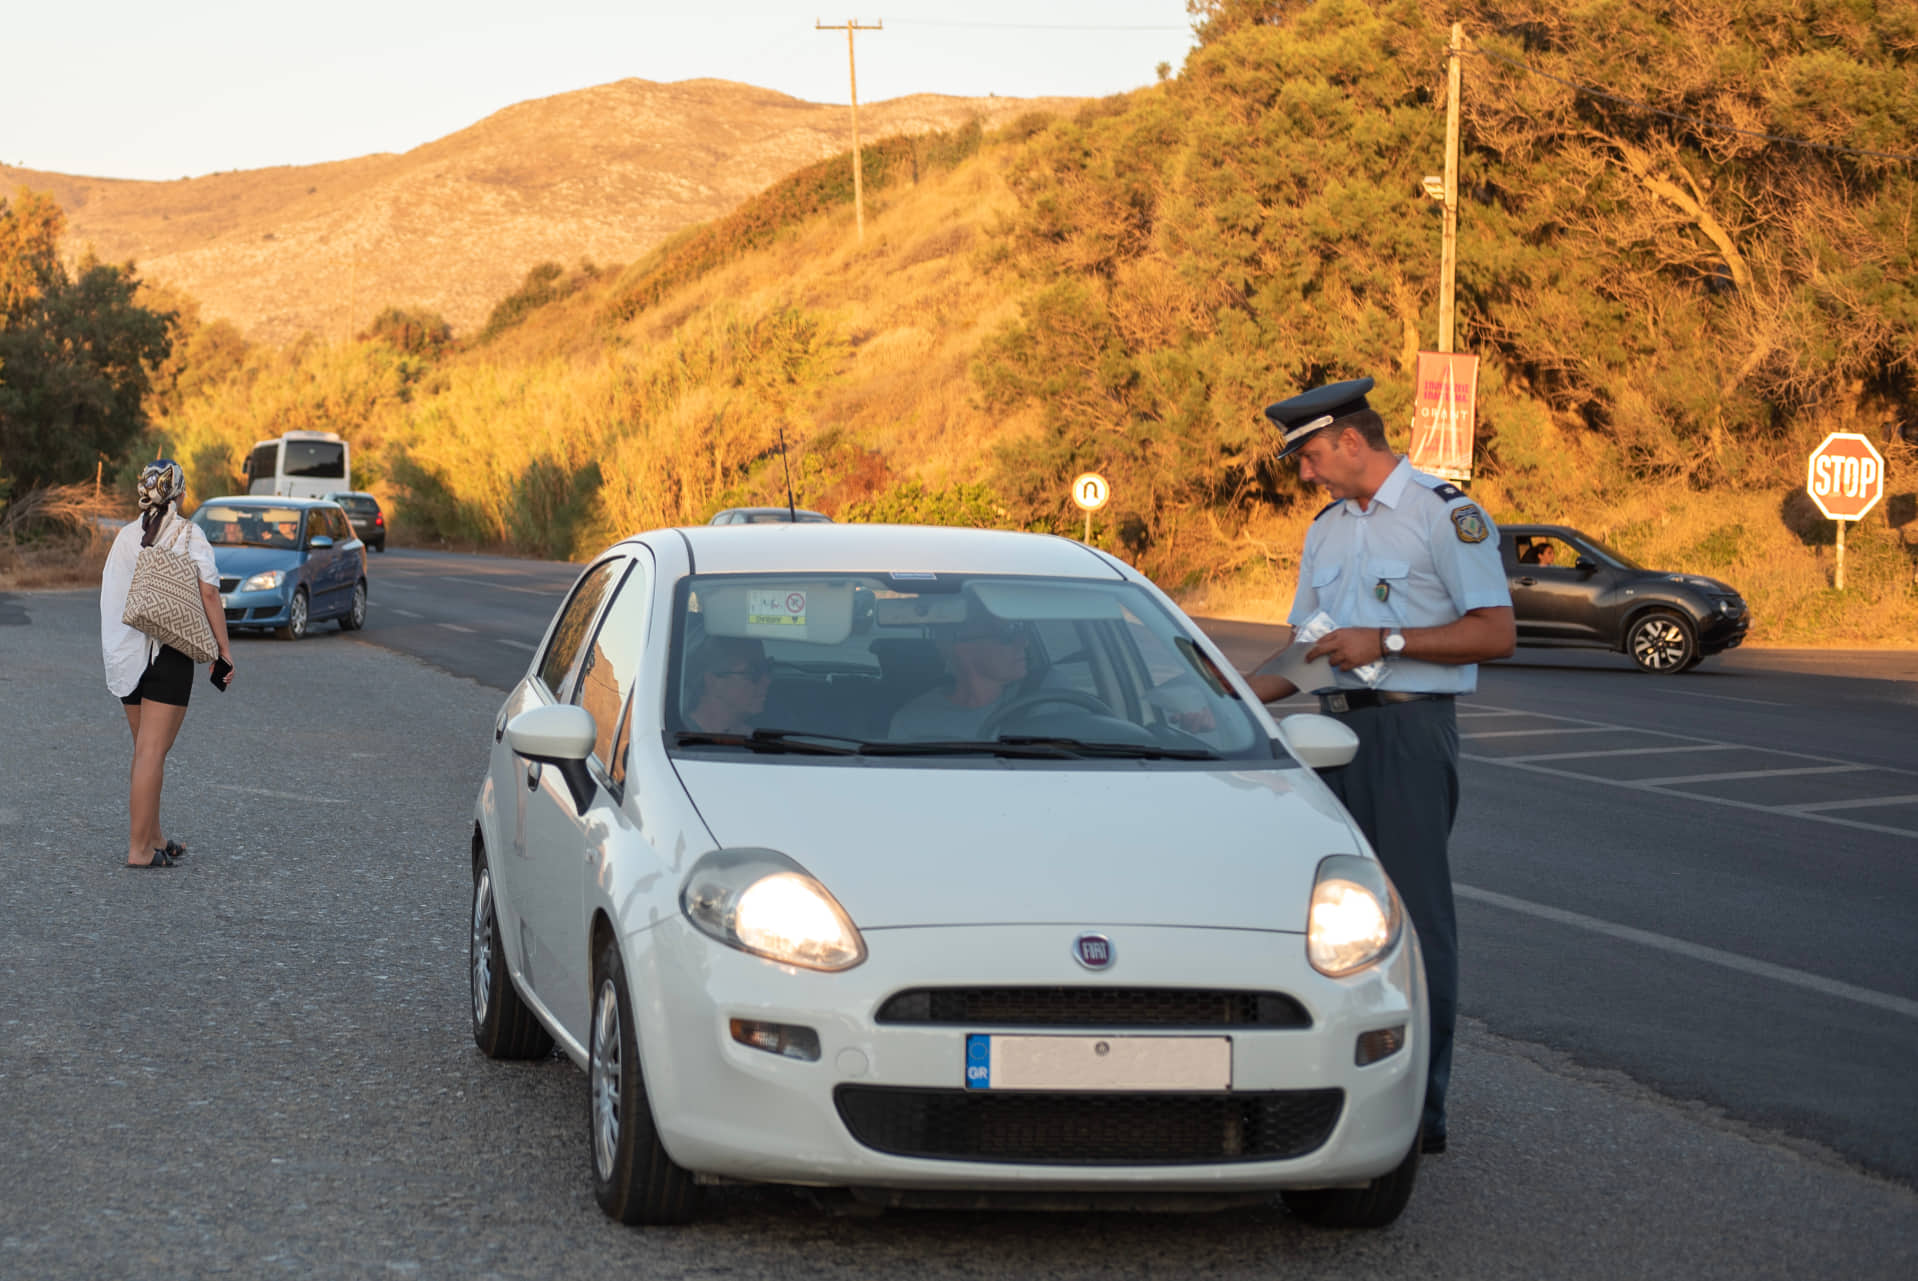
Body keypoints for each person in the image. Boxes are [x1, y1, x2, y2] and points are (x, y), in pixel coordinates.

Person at [1241, 376, 1515, 1156]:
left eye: (1312, 454)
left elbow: (1495, 632)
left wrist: (1390, 642)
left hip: (1406, 734)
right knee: (1327, 917)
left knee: (1416, 922)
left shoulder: (1444, 514)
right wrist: (1226, 701)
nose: (1305, 473)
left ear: (1352, 442)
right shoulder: (1328, 529)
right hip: (1328, 732)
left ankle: (1420, 1112)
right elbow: (1309, 650)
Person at [100, 459, 235, 869]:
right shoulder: (189, 535)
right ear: (178, 493)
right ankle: (139, 849)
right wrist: (223, 651)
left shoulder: (124, 537)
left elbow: (111, 599)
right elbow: (210, 595)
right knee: (153, 753)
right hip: (169, 653)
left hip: (126, 659)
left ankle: (153, 835)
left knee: (145, 752)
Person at [888, 607, 1032, 741]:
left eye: (1020, 630)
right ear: (963, 648)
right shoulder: (913, 722)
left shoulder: (1040, 702)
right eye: (1007, 635)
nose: (1024, 642)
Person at [683, 637, 770, 734]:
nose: (767, 681)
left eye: (766, 668)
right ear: (713, 681)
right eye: (752, 673)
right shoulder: (682, 738)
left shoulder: (754, 739)